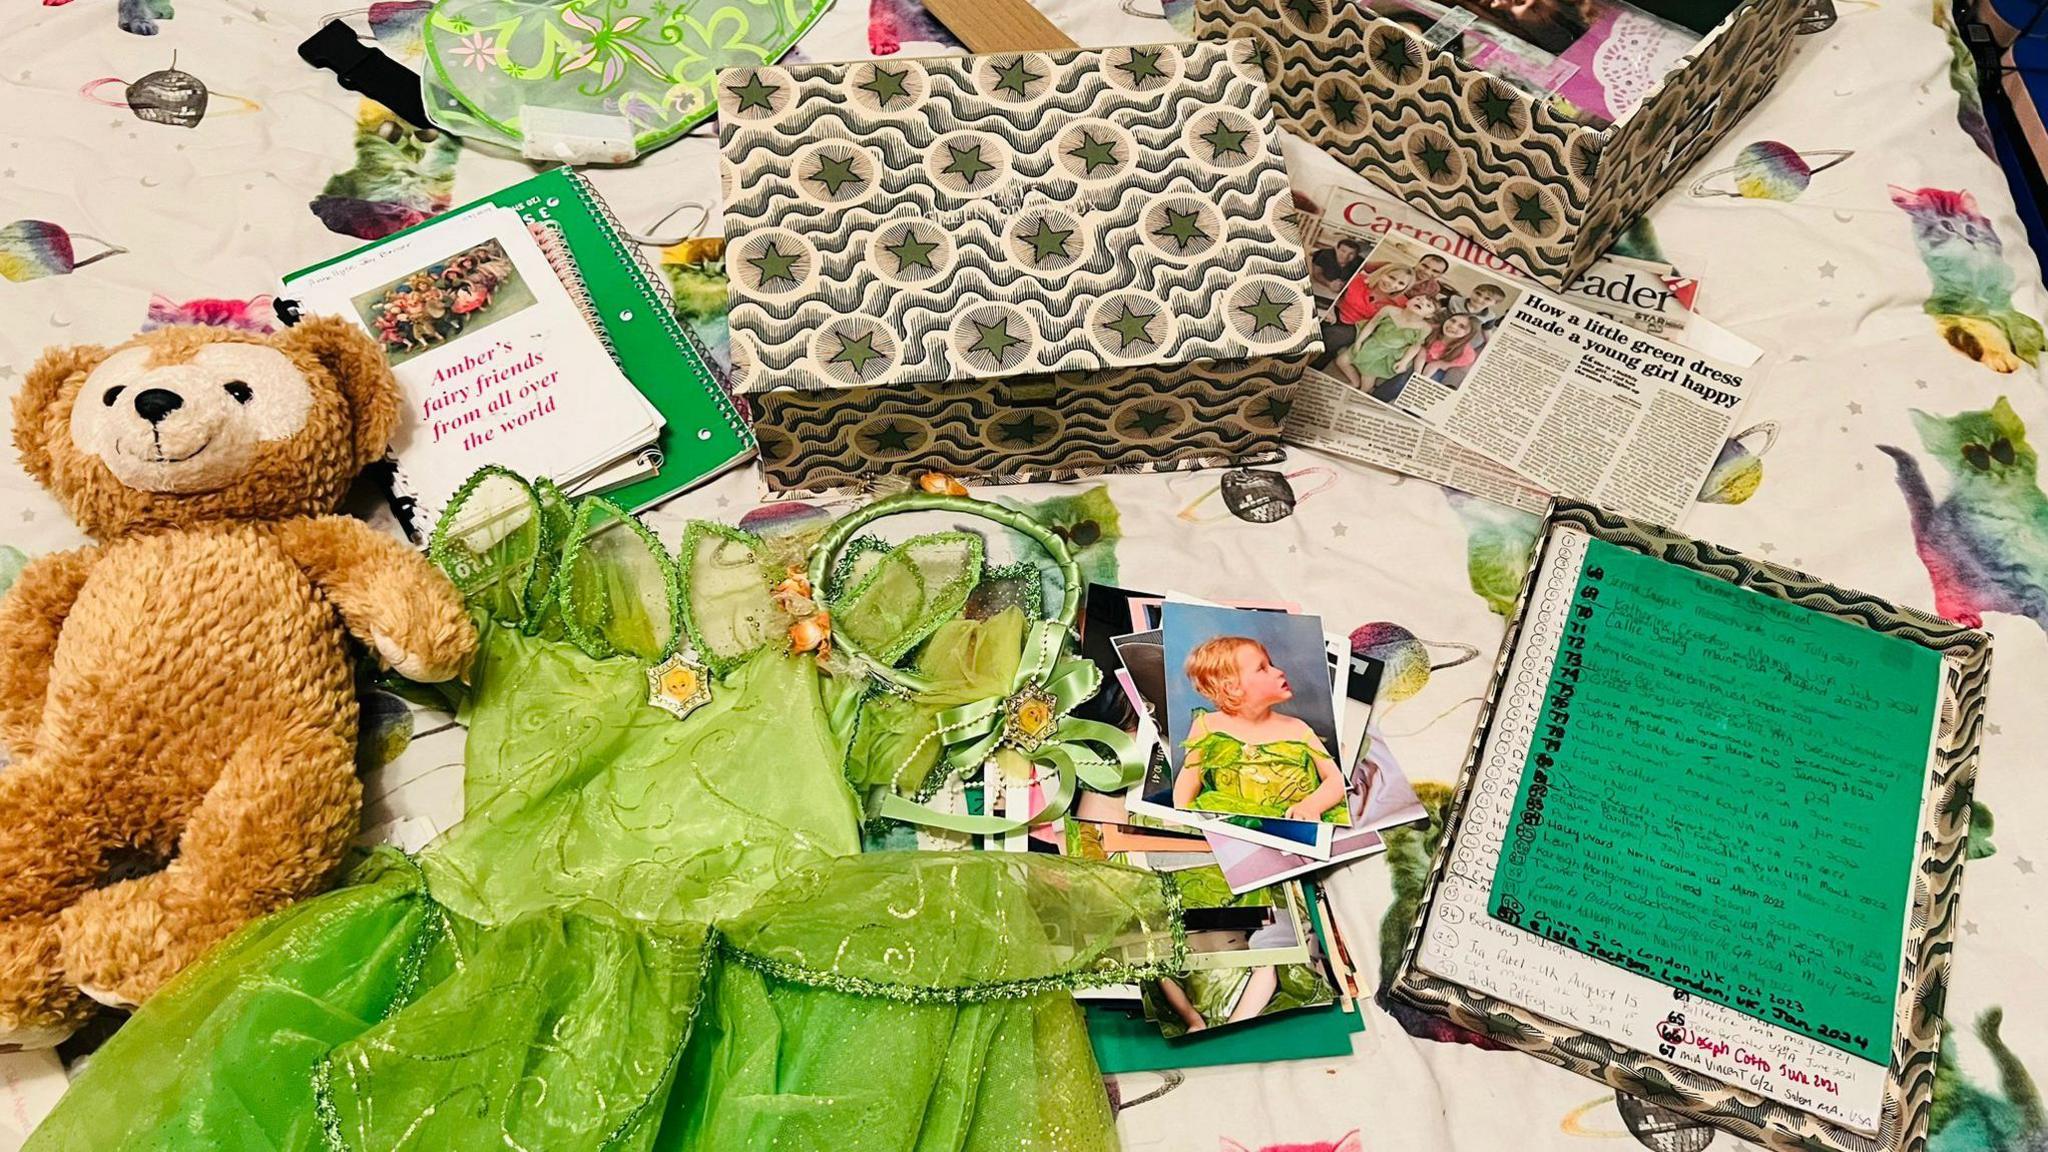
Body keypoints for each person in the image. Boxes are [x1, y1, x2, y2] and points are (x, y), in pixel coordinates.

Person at [1172, 635, 1347, 824]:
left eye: (1271, 664)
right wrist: (1177, 821)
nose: (1279, 671)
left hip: (1291, 823)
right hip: (1233, 823)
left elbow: (1335, 779)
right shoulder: (1207, 725)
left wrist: (1311, 806)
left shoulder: (1297, 728)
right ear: (1232, 688)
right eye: (1262, 668)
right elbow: (1190, 779)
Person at [1315, 262, 1414, 371]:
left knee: (1332, 336)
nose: (1393, 284)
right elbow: (1337, 294)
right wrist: (1331, 310)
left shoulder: (1401, 304)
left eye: (1401, 283)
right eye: (1391, 277)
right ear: (1382, 273)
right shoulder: (1359, 279)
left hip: (1357, 327)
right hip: (1337, 312)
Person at [1339, 293, 1440, 398]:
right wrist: (1359, 341)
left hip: (1389, 353)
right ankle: (1355, 381)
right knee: (1342, 360)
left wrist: (1404, 362)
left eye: (1428, 305)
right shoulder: (1390, 310)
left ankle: (1363, 391)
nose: (1421, 302)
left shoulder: (1425, 327)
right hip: (1373, 343)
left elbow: (1415, 346)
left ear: (1429, 315)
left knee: (1368, 376)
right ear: (1408, 301)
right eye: (1418, 298)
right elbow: (1372, 324)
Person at [1418, 311, 1483, 388]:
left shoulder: (1466, 354)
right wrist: (1417, 374)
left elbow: (1435, 365)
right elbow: (1421, 354)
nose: (1453, 326)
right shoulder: (1431, 330)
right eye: (1452, 320)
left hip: (1438, 367)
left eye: (1461, 326)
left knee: (1428, 383)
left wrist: (1421, 380)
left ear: (1468, 334)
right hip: (1419, 359)